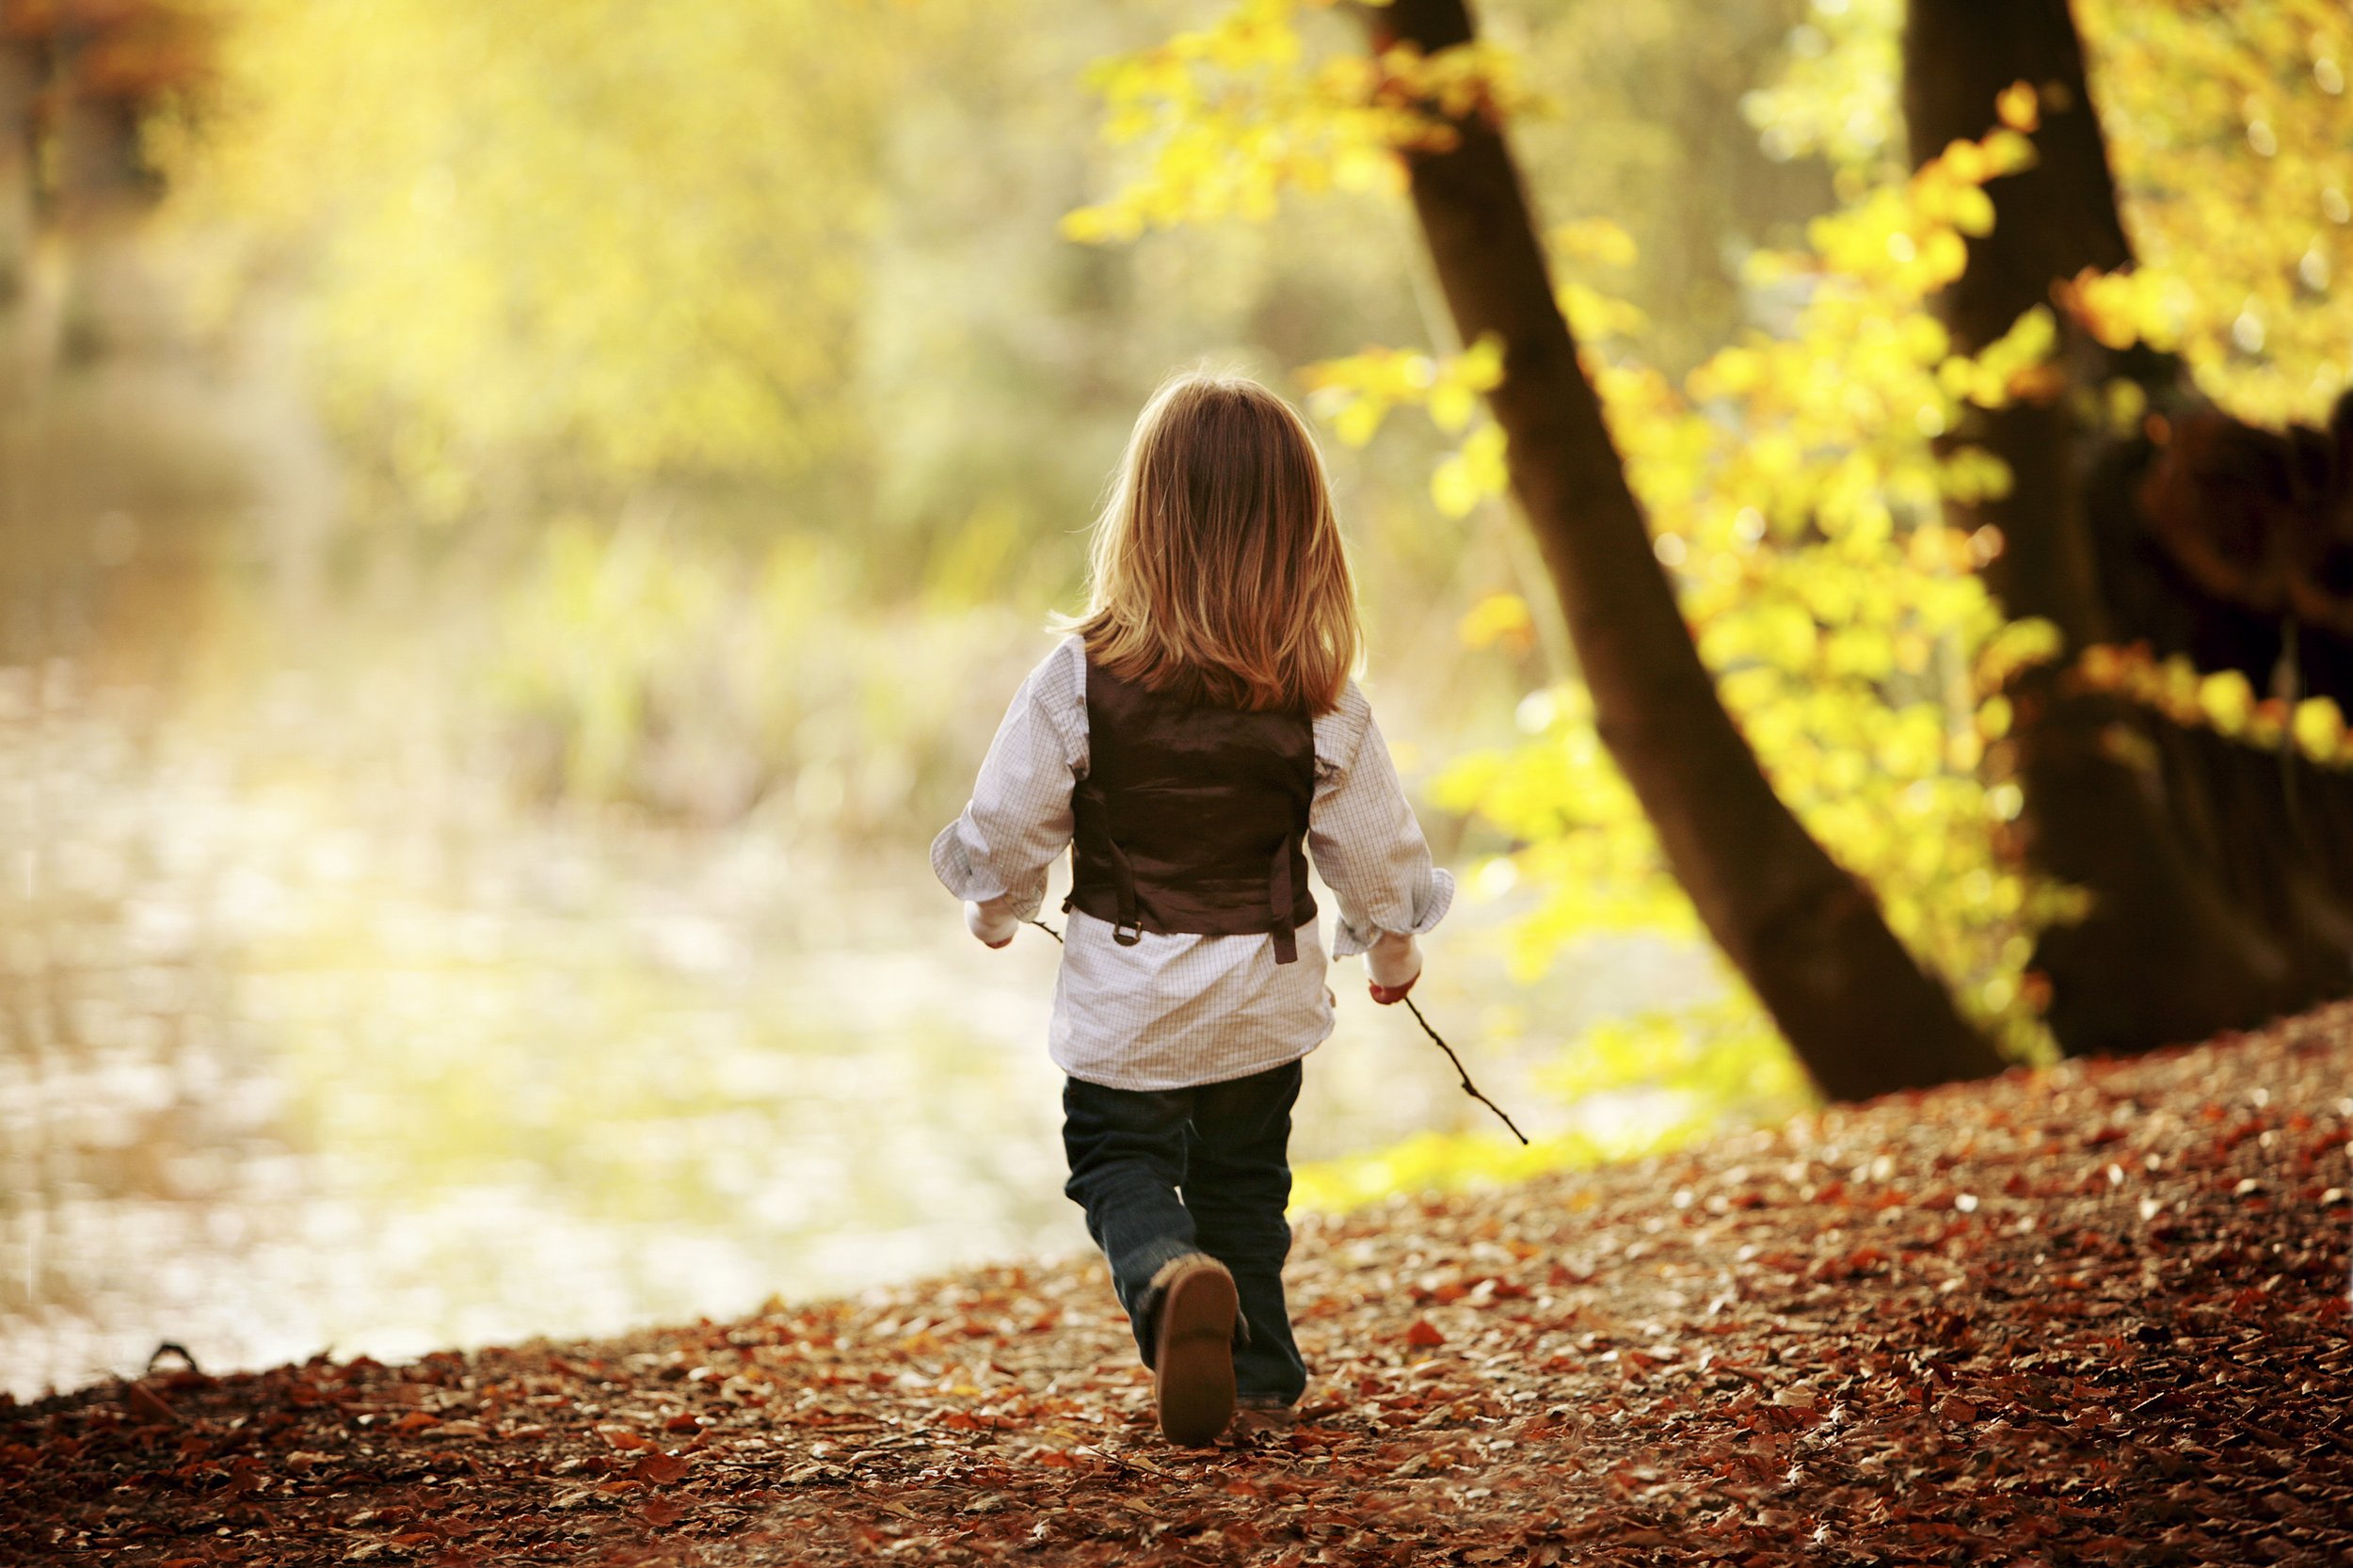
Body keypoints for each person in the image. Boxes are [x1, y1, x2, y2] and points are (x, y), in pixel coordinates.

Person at [929, 370, 1452, 1446]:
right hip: (1263, 997)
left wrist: (995, 902)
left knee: (1118, 1165)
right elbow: (1372, 847)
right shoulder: (1320, 701)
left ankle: (1170, 1282)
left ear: (1142, 521)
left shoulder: (1078, 679)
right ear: (1300, 533)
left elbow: (1009, 818)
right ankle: (1256, 1364)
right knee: (1245, 1183)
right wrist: (1391, 940)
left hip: (1128, 998)